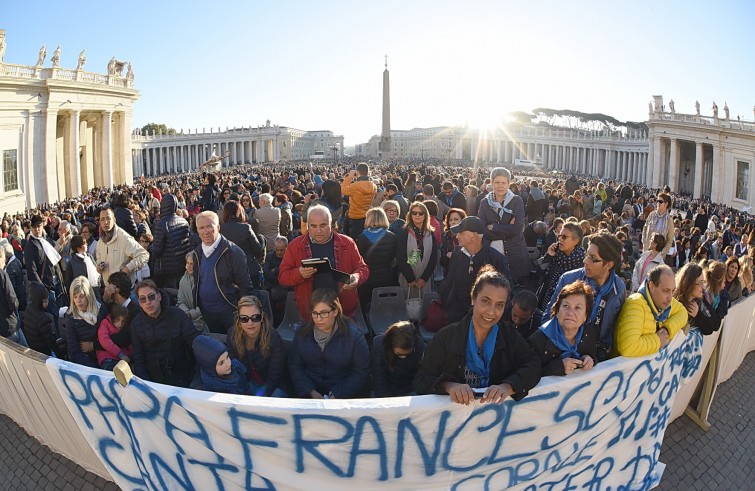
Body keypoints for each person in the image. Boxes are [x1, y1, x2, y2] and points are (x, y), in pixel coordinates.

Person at [414, 265, 540, 405]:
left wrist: (509, 386)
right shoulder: (447, 337)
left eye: (499, 305)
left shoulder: (509, 334)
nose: (491, 312)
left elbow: (533, 364)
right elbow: (421, 379)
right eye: (485, 301)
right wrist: (448, 386)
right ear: (473, 298)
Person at [542, 232, 626, 361]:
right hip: (563, 356)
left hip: (595, 360)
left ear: (609, 264)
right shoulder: (569, 280)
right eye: (587, 254)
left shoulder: (618, 289)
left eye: (593, 258)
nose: (585, 261)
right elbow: (548, 318)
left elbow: (613, 328)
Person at [279, 204, 369, 320]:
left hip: (343, 310)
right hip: (310, 313)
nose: (318, 230)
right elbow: (282, 277)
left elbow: (363, 268)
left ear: (330, 224)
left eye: (323, 225)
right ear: (307, 226)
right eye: (313, 226)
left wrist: (356, 277)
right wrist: (299, 273)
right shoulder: (295, 246)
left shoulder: (347, 243)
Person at [288, 289, 370, 399]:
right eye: (315, 313)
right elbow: (295, 366)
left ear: (335, 311)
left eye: (324, 313)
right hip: (310, 394)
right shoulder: (302, 333)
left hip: (344, 396)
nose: (318, 319)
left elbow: (360, 372)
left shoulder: (354, 335)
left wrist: (337, 393)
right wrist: (311, 391)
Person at [440, 216, 512, 323]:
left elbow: (507, 290)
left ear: (473, 235)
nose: (457, 236)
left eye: (462, 233)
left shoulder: (496, 259)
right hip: (457, 313)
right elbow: (450, 280)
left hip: (484, 316)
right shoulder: (457, 254)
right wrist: (447, 303)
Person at [191, 211, 252, 334]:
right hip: (207, 312)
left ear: (218, 227)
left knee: (236, 345)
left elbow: (245, 285)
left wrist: (243, 312)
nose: (205, 231)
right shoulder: (197, 252)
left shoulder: (233, 252)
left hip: (230, 312)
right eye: (201, 228)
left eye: (209, 226)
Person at [131, 280, 199, 387]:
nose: (148, 302)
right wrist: (146, 386)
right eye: (143, 299)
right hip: (154, 381)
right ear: (139, 303)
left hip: (182, 377)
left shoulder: (177, 315)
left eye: (151, 296)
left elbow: (195, 343)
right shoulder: (136, 324)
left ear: (159, 297)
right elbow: (139, 359)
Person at [615, 265, 688, 357]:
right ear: (652, 286)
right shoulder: (635, 304)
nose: (670, 298)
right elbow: (628, 347)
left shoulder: (664, 301)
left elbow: (683, 312)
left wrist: (666, 329)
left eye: (672, 291)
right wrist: (658, 340)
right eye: (666, 291)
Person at [528, 280, 598, 376]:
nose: (570, 313)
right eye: (566, 306)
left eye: (577, 308)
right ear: (557, 310)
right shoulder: (537, 340)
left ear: (585, 316)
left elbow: (594, 356)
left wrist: (590, 359)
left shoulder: (587, 333)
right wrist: (558, 367)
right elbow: (527, 375)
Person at [226, 295, 288, 397]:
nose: (250, 323)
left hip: (273, 386)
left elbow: (275, 376)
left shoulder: (274, 339)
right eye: (244, 318)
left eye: (255, 317)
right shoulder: (232, 335)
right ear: (238, 319)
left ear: (262, 317)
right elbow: (234, 368)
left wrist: (261, 398)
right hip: (247, 382)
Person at [478, 167, 531, 284]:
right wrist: (507, 229)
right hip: (492, 252)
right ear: (491, 183)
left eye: (503, 183)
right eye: (497, 182)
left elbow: (517, 229)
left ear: (509, 184)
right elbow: (482, 229)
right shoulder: (484, 202)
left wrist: (494, 227)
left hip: (514, 252)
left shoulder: (517, 201)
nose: (500, 186)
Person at [355, 207, 398, 311]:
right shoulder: (392, 236)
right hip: (387, 278)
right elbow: (394, 257)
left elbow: (358, 260)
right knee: (384, 309)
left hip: (367, 281)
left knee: (367, 309)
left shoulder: (362, 237)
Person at [95, 206, 149, 288]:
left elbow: (144, 255)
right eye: (102, 219)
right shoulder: (100, 242)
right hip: (109, 289)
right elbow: (99, 259)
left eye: (108, 218)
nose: (105, 222)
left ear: (114, 220)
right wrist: (99, 267)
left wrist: (127, 269)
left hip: (125, 290)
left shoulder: (124, 238)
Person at [536, 222, 585, 311]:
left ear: (576, 240)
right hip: (544, 304)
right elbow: (539, 273)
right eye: (559, 236)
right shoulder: (556, 253)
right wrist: (549, 256)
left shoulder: (582, 263)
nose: (560, 240)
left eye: (564, 237)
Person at [371, 321, 425, 397]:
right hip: (387, 388)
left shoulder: (419, 346)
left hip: (410, 388)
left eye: (407, 354)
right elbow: (379, 377)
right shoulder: (379, 346)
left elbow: (419, 374)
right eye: (399, 353)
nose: (403, 357)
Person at [396, 201, 437, 298]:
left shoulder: (430, 233)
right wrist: (410, 279)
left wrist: (424, 278)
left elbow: (433, 258)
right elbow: (401, 257)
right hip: (408, 279)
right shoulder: (404, 232)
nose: (417, 215)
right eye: (414, 213)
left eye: (420, 213)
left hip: (425, 278)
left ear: (425, 215)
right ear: (410, 215)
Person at [151, 193, 193, 289]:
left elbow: (157, 250)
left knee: (167, 293)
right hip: (181, 263)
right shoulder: (183, 221)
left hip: (166, 268)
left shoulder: (161, 223)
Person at [220, 200, 265, 289]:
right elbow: (258, 249)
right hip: (248, 269)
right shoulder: (246, 228)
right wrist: (261, 239)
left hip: (228, 272)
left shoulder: (220, 229)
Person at [674, 262, 727, 336]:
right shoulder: (674, 302)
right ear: (689, 283)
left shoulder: (701, 301)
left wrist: (698, 315)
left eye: (703, 282)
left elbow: (711, 327)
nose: (703, 287)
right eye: (700, 283)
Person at [62, 277, 100, 368]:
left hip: (106, 357)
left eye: (81, 296)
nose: (78, 301)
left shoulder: (100, 310)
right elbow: (74, 352)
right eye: (75, 297)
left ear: (88, 296)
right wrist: (95, 369)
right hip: (87, 365)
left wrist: (94, 346)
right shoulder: (71, 318)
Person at [341, 163, 377, 239]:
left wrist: (350, 177)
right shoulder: (373, 186)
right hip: (366, 215)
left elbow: (343, 190)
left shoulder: (356, 186)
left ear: (357, 172)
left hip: (355, 216)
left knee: (354, 240)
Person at [23, 282, 56, 356]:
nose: (47, 302)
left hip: (34, 348)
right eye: (45, 301)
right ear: (39, 301)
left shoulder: (29, 308)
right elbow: (50, 341)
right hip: (44, 352)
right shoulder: (43, 318)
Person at [177, 252, 208, 333]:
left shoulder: (206, 280)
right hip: (187, 317)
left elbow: (208, 303)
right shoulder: (183, 280)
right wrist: (186, 313)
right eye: (187, 263)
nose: (189, 266)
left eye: (192, 264)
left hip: (205, 319)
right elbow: (180, 300)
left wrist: (192, 314)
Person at [96, 304, 132, 370]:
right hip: (108, 359)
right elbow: (104, 340)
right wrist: (120, 354)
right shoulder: (105, 323)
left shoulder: (124, 328)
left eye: (123, 321)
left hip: (122, 361)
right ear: (113, 317)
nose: (120, 324)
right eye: (117, 320)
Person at [642, 193, 675, 257]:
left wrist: (663, 252)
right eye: (657, 201)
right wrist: (644, 241)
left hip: (659, 255)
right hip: (647, 250)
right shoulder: (652, 215)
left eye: (660, 202)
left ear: (666, 204)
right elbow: (645, 228)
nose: (658, 203)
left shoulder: (669, 220)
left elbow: (670, 239)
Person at [439, 208, 466, 275]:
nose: (453, 222)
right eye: (450, 220)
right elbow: (442, 262)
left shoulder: (468, 235)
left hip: (465, 272)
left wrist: (454, 255)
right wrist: (446, 256)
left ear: (463, 221)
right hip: (450, 273)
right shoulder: (445, 236)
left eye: (456, 219)